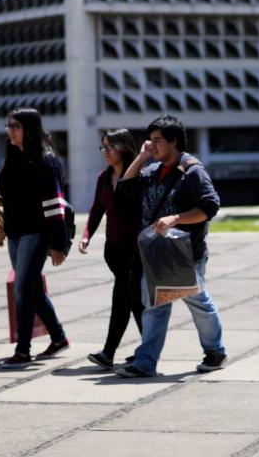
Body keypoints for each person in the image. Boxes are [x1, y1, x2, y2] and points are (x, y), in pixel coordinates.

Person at [114, 115, 224, 378]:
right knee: (154, 306)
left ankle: (215, 350)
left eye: (157, 141)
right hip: (156, 254)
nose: (152, 146)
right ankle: (145, 363)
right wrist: (141, 157)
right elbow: (125, 187)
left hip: (185, 253)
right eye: (150, 140)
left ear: (174, 141)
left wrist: (176, 218)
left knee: (198, 302)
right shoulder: (153, 171)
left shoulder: (193, 171)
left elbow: (210, 207)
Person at [0, 108, 71, 369]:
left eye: (15, 126)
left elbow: (55, 205)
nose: (10, 131)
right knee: (33, 289)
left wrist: (58, 244)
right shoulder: (14, 157)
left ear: (29, 128)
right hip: (15, 233)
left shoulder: (45, 160)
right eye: (8, 126)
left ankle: (23, 349)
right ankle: (59, 338)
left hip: (36, 233)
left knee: (22, 289)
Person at [80, 129, 145, 369]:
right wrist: (86, 236)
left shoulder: (139, 176)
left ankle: (108, 352)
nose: (105, 152)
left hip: (136, 250)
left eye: (110, 147)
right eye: (102, 147)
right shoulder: (103, 178)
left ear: (124, 147)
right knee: (134, 300)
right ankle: (148, 348)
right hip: (114, 250)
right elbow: (97, 209)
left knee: (123, 296)